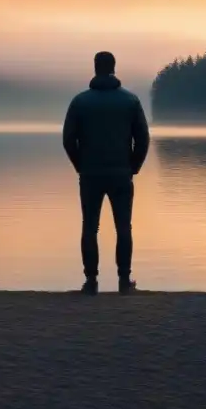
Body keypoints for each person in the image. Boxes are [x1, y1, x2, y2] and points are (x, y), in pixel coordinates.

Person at [62, 51, 150, 295]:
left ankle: (91, 280)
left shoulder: (80, 102)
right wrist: (134, 166)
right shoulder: (130, 101)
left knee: (90, 227)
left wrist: (80, 164)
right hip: (122, 174)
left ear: (95, 68)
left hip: (90, 175)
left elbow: (68, 139)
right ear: (114, 68)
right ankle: (124, 279)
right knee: (124, 226)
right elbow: (143, 138)